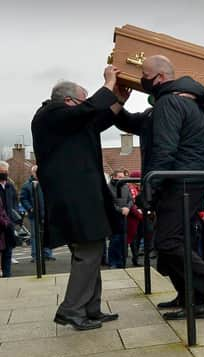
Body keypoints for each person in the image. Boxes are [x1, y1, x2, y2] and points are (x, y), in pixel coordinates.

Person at [114, 55, 204, 321]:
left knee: (167, 241)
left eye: (145, 74)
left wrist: (149, 189)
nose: (142, 80)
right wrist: (119, 101)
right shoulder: (179, 103)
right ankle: (193, 301)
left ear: (161, 77)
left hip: (181, 181)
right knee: (176, 241)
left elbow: (165, 150)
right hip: (186, 179)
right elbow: (131, 123)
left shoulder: (169, 103)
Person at [31, 67, 123, 330]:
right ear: (69, 101)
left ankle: (91, 309)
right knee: (88, 251)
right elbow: (89, 111)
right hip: (74, 199)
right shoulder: (51, 114)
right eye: (83, 100)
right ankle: (71, 309)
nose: (87, 105)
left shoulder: (68, 122)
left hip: (80, 197)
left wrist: (119, 100)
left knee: (92, 250)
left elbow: (97, 120)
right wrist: (109, 84)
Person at [20, 165, 54, 262]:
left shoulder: (46, 183)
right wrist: (30, 208)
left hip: (46, 214)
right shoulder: (27, 185)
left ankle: (47, 253)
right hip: (34, 214)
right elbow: (23, 198)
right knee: (35, 236)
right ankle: (35, 256)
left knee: (47, 234)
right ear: (33, 173)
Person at [108, 170, 133, 268]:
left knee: (123, 241)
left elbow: (131, 200)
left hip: (125, 217)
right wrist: (120, 209)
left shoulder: (126, 187)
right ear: (114, 177)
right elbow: (109, 203)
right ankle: (113, 262)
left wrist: (128, 207)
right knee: (115, 240)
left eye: (123, 177)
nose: (122, 179)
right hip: (114, 217)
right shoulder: (108, 187)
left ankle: (122, 262)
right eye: (120, 177)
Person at [0, 161, 21, 277]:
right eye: (2, 172)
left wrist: (15, 215)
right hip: (0, 224)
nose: (5, 174)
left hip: (9, 224)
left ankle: (7, 276)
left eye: (6, 172)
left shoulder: (10, 186)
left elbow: (15, 201)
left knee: (8, 251)